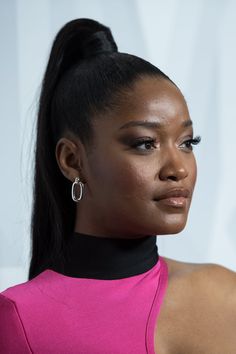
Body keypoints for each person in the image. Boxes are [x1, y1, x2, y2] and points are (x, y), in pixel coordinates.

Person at [0, 18, 235, 354]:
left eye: (187, 142)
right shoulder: (20, 317)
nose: (178, 168)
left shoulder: (226, 295)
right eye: (144, 143)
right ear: (72, 160)